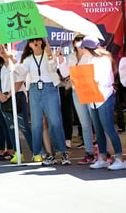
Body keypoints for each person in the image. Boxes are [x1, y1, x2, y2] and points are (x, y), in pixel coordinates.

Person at [13, 38, 70, 166]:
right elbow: (21, 71)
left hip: (50, 88)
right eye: (32, 41)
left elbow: (53, 68)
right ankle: (48, 154)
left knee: (55, 121)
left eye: (37, 40)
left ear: (42, 42)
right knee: (38, 124)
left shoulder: (48, 54)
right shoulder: (28, 59)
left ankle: (62, 152)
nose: (35, 43)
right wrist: (10, 59)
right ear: (29, 45)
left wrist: (50, 55)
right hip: (34, 90)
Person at [76, 36, 126, 170]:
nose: (81, 50)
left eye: (83, 48)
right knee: (98, 131)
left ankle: (120, 159)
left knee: (109, 129)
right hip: (92, 98)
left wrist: (90, 80)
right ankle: (102, 158)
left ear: (87, 48)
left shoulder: (103, 60)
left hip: (104, 97)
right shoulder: (89, 59)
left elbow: (103, 80)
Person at [58, 34, 96, 164]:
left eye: (81, 40)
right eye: (77, 40)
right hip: (76, 91)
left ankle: (103, 152)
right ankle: (89, 152)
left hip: (90, 91)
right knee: (84, 124)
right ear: (73, 43)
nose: (79, 43)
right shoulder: (71, 57)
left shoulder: (91, 56)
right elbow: (64, 74)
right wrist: (61, 60)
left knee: (96, 122)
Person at [0, 44, 33, 163]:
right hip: (3, 99)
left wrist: (10, 94)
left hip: (17, 96)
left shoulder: (16, 63)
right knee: (11, 127)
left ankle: (36, 151)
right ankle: (18, 153)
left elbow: (22, 77)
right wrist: (0, 94)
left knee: (23, 126)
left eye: (4, 48)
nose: (2, 51)